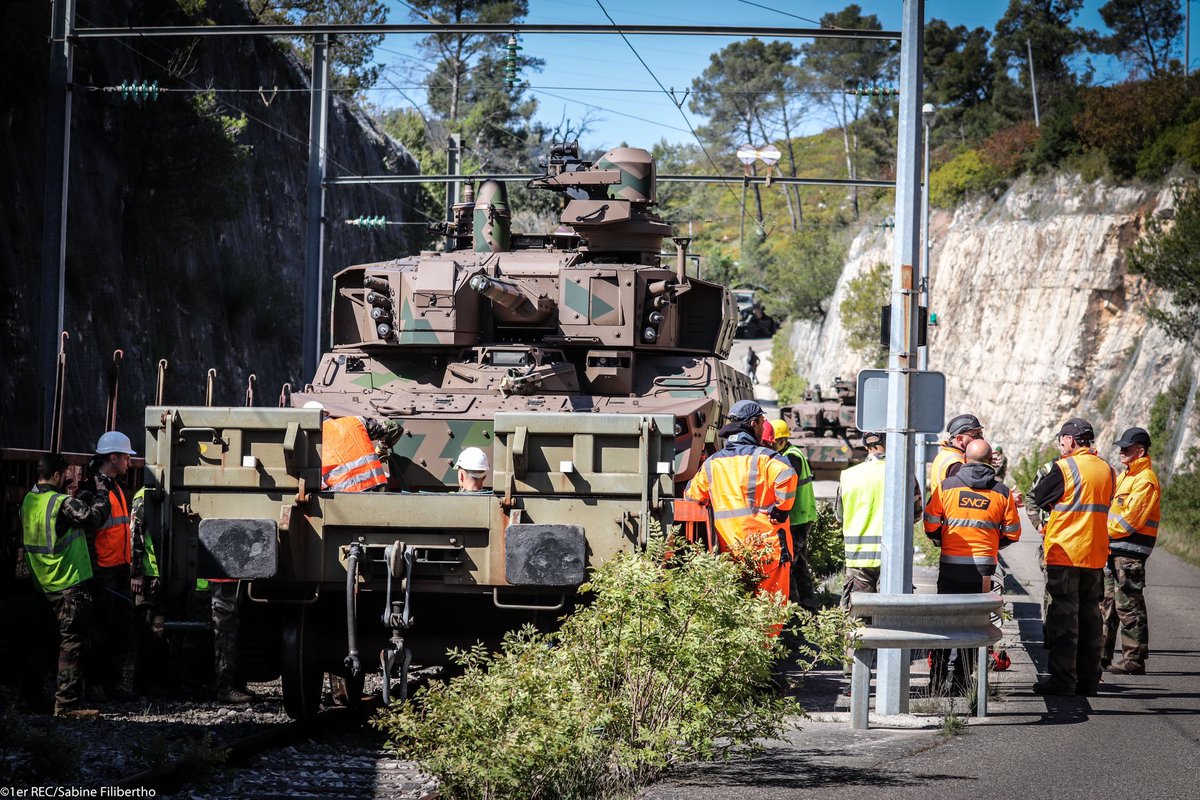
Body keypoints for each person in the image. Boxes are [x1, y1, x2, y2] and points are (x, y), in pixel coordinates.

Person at [923, 439, 1021, 693]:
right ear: (991, 461)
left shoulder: (947, 487)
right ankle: (963, 682)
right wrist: (992, 544)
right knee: (973, 626)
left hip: (951, 568)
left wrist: (943, 540)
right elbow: (1013, 532)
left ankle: (936, 682)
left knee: (946, 624)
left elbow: (930, 523)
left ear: (965, 459)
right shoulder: (1001, 492)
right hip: (983, 572)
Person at [1030, 417, 1115, 696]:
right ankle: (1089, 680)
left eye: (1062, 439)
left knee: (1064, 618)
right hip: (1095, 554)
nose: (1060, 443)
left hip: (1066, 552)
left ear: (1071, 440)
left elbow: (1040, 497)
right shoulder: (1108, 470)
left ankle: (1063, 680)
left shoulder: (1065, 467)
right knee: (1091, 618)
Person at [20, 453, 110, 717]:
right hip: (67, 582)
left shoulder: (29, 500)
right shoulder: (60, 502)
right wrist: (101, 493)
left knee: (39, 643)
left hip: (41, 583)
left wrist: (79, 496)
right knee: (72, 643)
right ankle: (67, 705)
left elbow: (65, 520)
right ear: (58, 475)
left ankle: (29, 700)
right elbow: (94, 517)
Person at [684, 399, 797, 604]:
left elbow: (691, 497)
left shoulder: (712, 464)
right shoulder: (767, 458)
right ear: (753, 424)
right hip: (767, 549)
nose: (763, 427)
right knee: (769, 612)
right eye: (762, 423)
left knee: (736, 611)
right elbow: (787, 475)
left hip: (730, 552)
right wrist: (782, 509)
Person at [1103, 426, 1160, 676]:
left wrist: (1101, 532)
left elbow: (1130, 521)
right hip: (1114, 550)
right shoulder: (1127, 476)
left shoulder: (1145, 480)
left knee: (1129, 605)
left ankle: (1134, 659)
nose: (1121, 451)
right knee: (1107, 605)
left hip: (1130, 553)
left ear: (1141, 451)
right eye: (1121, 447)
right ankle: (1100, 656)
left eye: (1127, 448)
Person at [88, 431, 138, 702]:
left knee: (119, 629)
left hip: (118, 567)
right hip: (104, 571)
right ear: (113, 457)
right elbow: (90, 531)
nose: (130, 462)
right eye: (127, 457)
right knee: (102, 630)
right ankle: (96, 684)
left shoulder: (115, 486)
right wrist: (95, 571)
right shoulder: (96, 489)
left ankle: (111, 684)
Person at [770, 419, 819, 612]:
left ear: (782, 440)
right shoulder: (794, 453)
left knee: (792, 563)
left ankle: (797, 608)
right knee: (799, 564)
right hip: (802, 516)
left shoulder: (790, 458)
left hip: (798, 518)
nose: (771, 446)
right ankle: (807, 605)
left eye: (773, 442)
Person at [306, 401, 403, 492]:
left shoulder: (309, 441)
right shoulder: (356, 421)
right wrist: (382, 449)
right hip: (376, 488)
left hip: (345, 498)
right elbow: (394, 427)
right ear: (326, 413)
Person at [129, 486, 169, 696]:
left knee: (158, 630)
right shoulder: (143, 496)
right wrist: (136, 572)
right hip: (148, 576)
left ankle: (158, 681)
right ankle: (144, 683)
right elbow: (135, 533)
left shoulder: (159, 494)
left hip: (160, 575)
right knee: (148, 631)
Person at [929, 413, 984, 495]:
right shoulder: (956, 464)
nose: (981, 439)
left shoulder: (946, 454)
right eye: (976, 435)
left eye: (981, 434)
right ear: (960, 439)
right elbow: (966, 495)